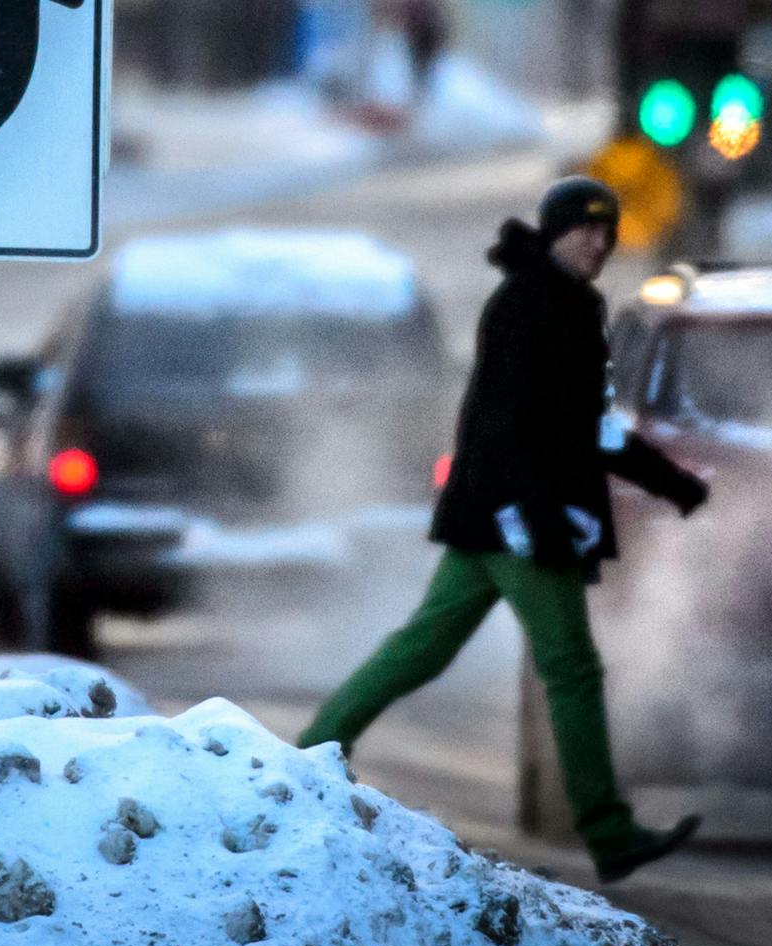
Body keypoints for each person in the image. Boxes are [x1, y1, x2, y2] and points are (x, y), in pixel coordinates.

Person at [297, 177, 709, 884]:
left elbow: (588, 425)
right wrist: (541, 519)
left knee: (420, 648)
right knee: (572, 670)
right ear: (553, 232)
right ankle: (609, 830)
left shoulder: (574, 306)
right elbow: (505, 423)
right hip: (523, 521)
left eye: (607, 232)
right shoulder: (529, 304)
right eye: (583, 228)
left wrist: (668, 480)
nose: (597, 242)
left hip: (498, 518)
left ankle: (306, 760)